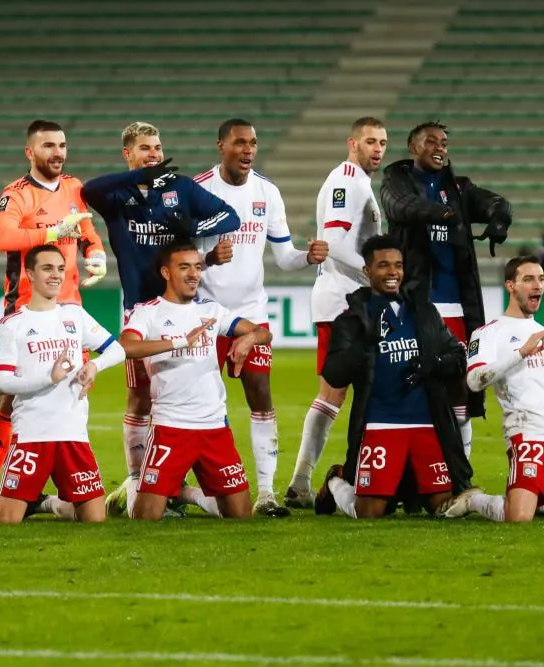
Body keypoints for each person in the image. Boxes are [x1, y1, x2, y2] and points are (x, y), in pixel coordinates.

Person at [80, 121, 240, 517]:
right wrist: (141, 177)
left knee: (193, 389)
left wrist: (194, 229)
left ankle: (181, 486)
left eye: (157, 148)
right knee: (139, 397)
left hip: (185, 311)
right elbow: (88, 190)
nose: (154, 154)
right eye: (145, 149)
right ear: (128, 154)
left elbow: (229, 216)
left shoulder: (180, 187)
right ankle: (138, 481)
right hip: (140, 310)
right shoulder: (118, 194)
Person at [192, 118, 328, 516]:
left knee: (261, 398)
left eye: (252, 143)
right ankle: (200, 488)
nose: (248, 150)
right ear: (221, 146)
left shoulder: (267, 192)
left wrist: (308, 257)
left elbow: (284, 257)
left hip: (252, 315)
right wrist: (207, 259)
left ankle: (266, 492)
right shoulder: (199, 190)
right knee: (200, 404)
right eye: (239, 143)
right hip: (204, 314)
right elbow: (180, 258)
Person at [0, 119, 106, 495]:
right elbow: (0, 237)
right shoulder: (16, 194)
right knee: (10, 395)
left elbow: (86, 230)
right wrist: (52, 233)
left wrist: (96, 253)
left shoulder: (74, 188)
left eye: (62, 145)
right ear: (30, 152)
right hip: (24, 310)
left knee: (74, 390)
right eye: (49, 146)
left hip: (69, 311)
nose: (58, 153)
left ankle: (60, 483)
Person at [438, 256, 544, 522]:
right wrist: (520, 353)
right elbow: (474, 380)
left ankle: (538, 503)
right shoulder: (488, 333)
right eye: (528, 279)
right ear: (510, 285)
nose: (537, 285)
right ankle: (474, 499)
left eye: (541, 279)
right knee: (517, 518)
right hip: (529, 432)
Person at [380, 120, 513, 460]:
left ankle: (460, 470)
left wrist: (499, 217)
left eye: (444, 143)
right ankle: (415, 472)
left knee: (462, 389)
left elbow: (492, 202)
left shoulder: (459, 187)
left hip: (457, 308)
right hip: (415, 306)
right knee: (413, 386)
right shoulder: (397, 180)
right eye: (431, 142)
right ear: (413, 148)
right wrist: (447, 212)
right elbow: (401, 207)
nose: (440, 147)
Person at [312, 235, 470, 519]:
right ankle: (335, 481)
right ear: (367, 271)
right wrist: (365, 342)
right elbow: (333, 374)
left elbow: (457, 357)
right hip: (380, 424)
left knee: (442, 507)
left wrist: (431, 364)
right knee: (370, 512)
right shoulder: (351, 321)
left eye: (398, 265)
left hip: (427, 424)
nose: (393, 272)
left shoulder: (424, 312)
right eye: (383, 265)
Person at [120, 239, 272, 521]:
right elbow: (126, 346)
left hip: (215, 428)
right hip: (171, 427)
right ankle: (131, 492)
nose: (194, 274)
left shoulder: (211, 311)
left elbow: (264, 333)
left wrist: (248, 339)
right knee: (145, 518)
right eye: (184, 267)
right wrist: (178, 342)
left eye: (197, 267)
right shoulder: (148, 312)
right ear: (166, 273)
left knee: (241, 517)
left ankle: (187, 494)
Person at [284, 117, 388, 509]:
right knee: (333, 394)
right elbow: (331, 241)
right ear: (352, 143)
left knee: (346, 394)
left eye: (382, 142)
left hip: (352, 299)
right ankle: (301, 480)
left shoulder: (358, 181)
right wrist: (372, 270)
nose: (377, 149)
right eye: (370, 141)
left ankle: (313, 479)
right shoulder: (347, 180)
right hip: (344, 302)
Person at [0, 244, 125, 524]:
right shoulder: (11, 324)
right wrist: (49, 378)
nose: (56, 275)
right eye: (47, 268)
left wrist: (95, 365)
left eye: (60, 269)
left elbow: (116, 349)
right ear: (30, 274)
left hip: (73, 433)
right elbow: (2, 382)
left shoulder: (73, 315)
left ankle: (48, 503)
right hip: (32, 433)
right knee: (6, 519)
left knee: (95, 518)